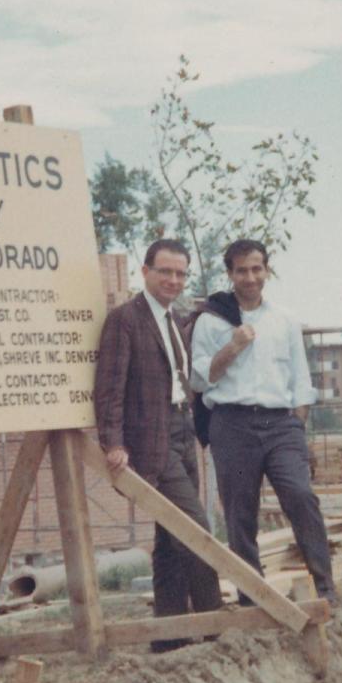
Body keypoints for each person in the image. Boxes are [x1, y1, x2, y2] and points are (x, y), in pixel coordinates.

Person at [190, 239, 336, 603]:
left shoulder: (283, 320)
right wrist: (233, 346)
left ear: (267, 270)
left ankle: (325, 588)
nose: (250, 277)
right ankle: (251, 597)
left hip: (279, 424)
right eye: (242, 270)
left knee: (300, 496)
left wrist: (296, 425)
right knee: (240, 513)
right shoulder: (211, 320)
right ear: (230, 274)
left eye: (257, 268)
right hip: (232, 424)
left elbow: (300, 381)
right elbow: (198, 379)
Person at [94, 239, 222, 651]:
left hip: (184, 432)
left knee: (169, 540)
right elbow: (109, 388)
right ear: (145, 272)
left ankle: (169, 637)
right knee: (195, 530)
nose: (173, 280)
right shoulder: (124, 320)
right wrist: (113, 443)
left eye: (180, 273)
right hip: (153, 440)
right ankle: (214, 626)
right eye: (165, 271)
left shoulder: (174, 320)